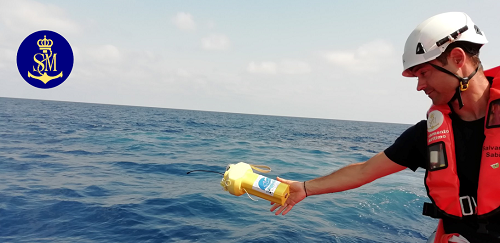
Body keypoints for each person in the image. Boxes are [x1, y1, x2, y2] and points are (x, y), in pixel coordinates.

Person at [270, 12, 500, 243]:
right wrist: (305, 187)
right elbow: (364, 171)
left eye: (424, 73)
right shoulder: (426, 135)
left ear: (458, 59)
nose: (419, 86)